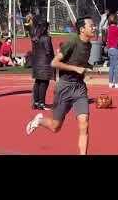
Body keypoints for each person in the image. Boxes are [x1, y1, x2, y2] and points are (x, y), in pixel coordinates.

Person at [25, 16, 96, 155]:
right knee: (55, 127)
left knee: (84, 123)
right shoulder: (71, 42)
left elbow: (80, 61)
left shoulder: (89, 44)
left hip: (79, 88)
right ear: (82, 29)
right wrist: (75, 69)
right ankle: (39, 120)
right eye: (91, 26)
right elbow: (54, 63)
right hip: (64, 87)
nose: (95, 28)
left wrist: (90, 67)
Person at [31, 17, 54, 110]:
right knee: (44, 83)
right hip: (45, 64)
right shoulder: (46, 38)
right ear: (44, 28)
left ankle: (36, 102)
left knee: (37, 82)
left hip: (36, 63)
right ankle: (41, 103)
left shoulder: (34, 38)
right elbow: (48, 51)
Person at [107, 14, 118, 88]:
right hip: (115, 48)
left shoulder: (109, 28)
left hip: (110, 49)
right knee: (117, 66)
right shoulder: (116, 28)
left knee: (112, 66)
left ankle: (111, 82)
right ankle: (117, 82)